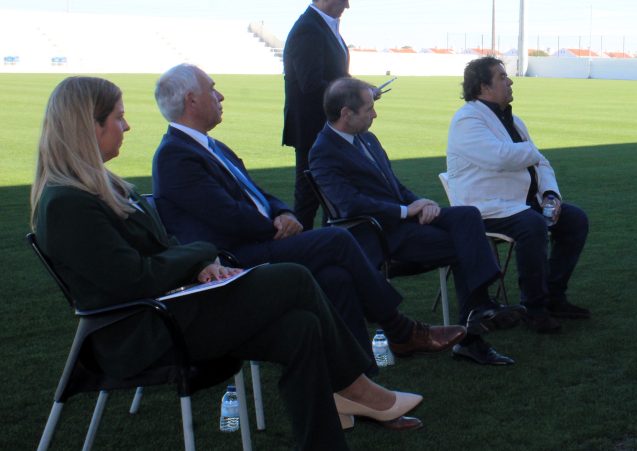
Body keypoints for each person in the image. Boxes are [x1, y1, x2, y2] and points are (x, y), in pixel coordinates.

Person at [30, 76, 424, 449]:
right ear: (89, 126)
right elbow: (134, 278)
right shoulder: (67, 202)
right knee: (294, 278)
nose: (127, 126)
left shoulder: (102, 187)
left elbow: (159, 251)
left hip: (169, 309)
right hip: (143, 333)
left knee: (300, 328)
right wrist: (202, 255)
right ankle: (358, 386)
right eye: (118, 117)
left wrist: (200, 265)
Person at [151, 64, 465, 372]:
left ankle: (359, 375)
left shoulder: (210, 146)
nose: (220, 96)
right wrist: (275, 226)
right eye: (212, 89)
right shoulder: (175, 156)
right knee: (336, 239)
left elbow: (258, 194)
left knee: (336, 277)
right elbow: (226, 215)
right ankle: (401, 330)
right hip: (232, 260)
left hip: (256, 244)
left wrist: (284, 212)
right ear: (192, 100)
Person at [309, 76, 522, 366]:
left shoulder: (366, 138)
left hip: (401, 223)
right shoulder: (323, 151)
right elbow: (349, 204)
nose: (375, 114)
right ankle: (473, 334)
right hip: (376, 234)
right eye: (369, 109)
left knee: (468, 216)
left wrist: (422, 204)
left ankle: (479, 309)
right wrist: (405, 211)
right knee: (465, 245)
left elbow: (393, 186)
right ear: (346, 114)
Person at [446, 57, 590, 334]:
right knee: (532, 225)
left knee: (575, 220)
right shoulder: (467, 120)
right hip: (486, 208)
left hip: (522, 203)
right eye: (501, 77)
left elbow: (540, 163)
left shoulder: (512, 120)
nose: (510, 81)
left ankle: (554, 296)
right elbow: (501, 157)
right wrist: (533, 151)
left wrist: (551, 195)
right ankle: (534, 308)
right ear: (483, 87)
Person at [284, 0, 354, 230]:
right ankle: (300, 249)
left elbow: (334, 74)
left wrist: (359, 88)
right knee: (308, 198)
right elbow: (311, 83)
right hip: (313, 127)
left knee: (328, 195)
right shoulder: (308, 28)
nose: (347, 6)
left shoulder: (322, 26)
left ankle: (329, 244)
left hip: (326, 126)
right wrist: (352, 93)